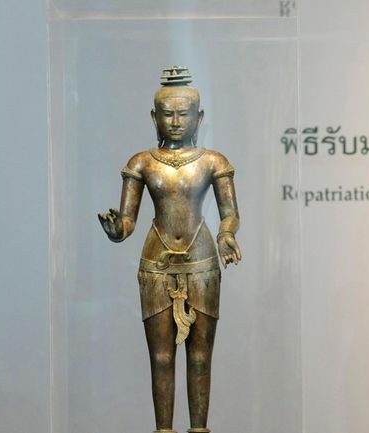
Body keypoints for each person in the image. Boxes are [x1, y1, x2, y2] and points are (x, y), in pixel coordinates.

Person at [98, 66, 241, 433]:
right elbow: (128, 222)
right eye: (168, 114)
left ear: (200, 117)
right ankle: (163, 430)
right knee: (161, 358)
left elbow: (230, 215)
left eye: (184, 114)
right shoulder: (141, 162)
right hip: (156, 263)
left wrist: (227, 235)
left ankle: (199, 430)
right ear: (154, 117)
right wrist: (117, 230)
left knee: (199, 358)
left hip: (203, 260)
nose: (176, 121)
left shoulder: (213, 162)